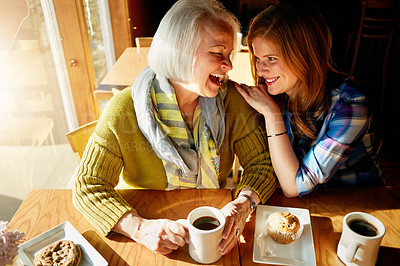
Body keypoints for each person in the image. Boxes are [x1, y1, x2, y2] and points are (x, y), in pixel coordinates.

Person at [73, 0, 277, 256]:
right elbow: (87, 185)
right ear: (179, 50)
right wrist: (140, 228)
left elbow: (262, 164)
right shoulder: (123, 109)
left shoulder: (232, 100)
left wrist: (244, 203)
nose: (229, 66)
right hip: (148, 235)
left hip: (216, 233)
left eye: (229, 55)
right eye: (217, 53)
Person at [236, 1, 382, 198]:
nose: (261, 71)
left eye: (272, 59)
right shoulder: (274, 94)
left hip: (357, 203)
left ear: (303, 55)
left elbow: (294, 186)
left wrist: (272, 116)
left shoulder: (350, 105)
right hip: (306, 204)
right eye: (258, 59)